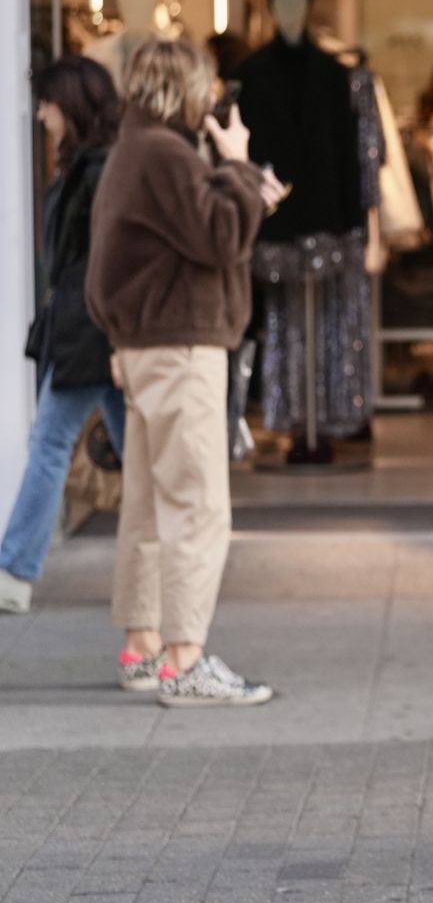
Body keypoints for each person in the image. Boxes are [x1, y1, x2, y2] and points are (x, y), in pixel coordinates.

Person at [87, 38, 280, 706]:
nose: (213, 96)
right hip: (180, 347)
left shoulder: (135, 151)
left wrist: (239, 183)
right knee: (195, 504)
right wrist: (241, 166)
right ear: (184, 86)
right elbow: (222, 234)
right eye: (206, 84)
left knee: (146, 504)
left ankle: (144, 647)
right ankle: (185, 659)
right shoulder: (165, 155)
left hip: (146, 348)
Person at [0, 58, 127, 615]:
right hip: (89, 328)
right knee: (137, 453)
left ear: (71, 105)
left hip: (91, 330)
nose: (43, 113)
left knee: (52, 443)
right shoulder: (84, 165)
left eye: (50, 103)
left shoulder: (98, 170)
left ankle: (14, 570)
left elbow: (105, 262)